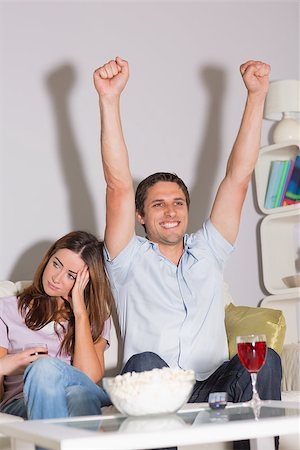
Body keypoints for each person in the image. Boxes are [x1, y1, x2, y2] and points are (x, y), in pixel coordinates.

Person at [93, 58, 282, 448]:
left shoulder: (208, 250)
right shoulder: (128, 260)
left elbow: (238, 178)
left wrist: (256, 95)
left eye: (178, 202)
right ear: (141, 216)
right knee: (143, 363)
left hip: (212, 387)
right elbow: (117, 186)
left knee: (268, 359)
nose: (171, 211)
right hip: (155, 389)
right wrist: (109, 100)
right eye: (158, 204)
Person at [0, 231, 113, 421]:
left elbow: (87, 377)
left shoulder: (94, 316)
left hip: (78, 394)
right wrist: (7, 366)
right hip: (23, 402)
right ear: (48, 258)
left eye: (71, 275)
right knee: (45, 370)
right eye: (56, 264)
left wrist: (80, 315)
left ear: (85, 283)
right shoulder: (6, 309)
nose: (56, 278)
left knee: (78, 393)